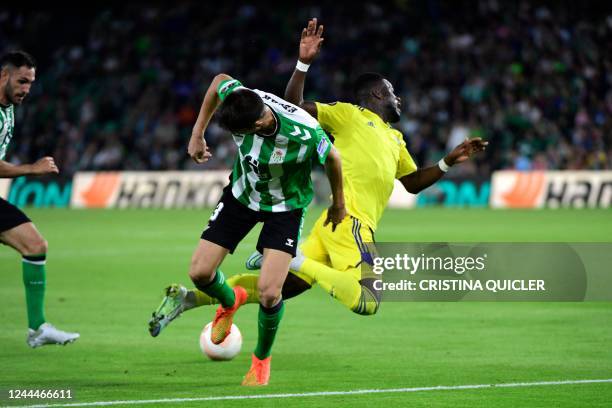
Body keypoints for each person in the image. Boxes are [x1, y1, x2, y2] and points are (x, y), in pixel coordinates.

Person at [149, 18, 486, 335]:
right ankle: (291, 257)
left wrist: (447, 162)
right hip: (350, 218)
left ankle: (190, 298)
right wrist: (303, 65)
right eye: (393, 91)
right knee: (368, 299)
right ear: (377, 94)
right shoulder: (349, 114)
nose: (399, 98)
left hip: (332, 223)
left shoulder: (396, 139)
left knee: (283, 287)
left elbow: (411, 183)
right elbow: (291, 107)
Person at [151, 72, 345, 386]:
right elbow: (218, 81)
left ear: (256, 126)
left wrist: (338, 204)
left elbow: (333, 158)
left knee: (270, 293)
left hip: (286, 206)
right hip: (242, 195)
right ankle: (230, 301)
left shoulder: (304, 131)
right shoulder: (246, 98)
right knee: (200, 273)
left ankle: (260, 361)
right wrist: (197, 133)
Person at [0, 51, 79, 348]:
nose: (26, 89)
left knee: (35, 246)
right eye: (21, 81)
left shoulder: (8, 108)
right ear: (3, 76)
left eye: (30, 83)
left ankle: (37, 328)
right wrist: (31, 169)